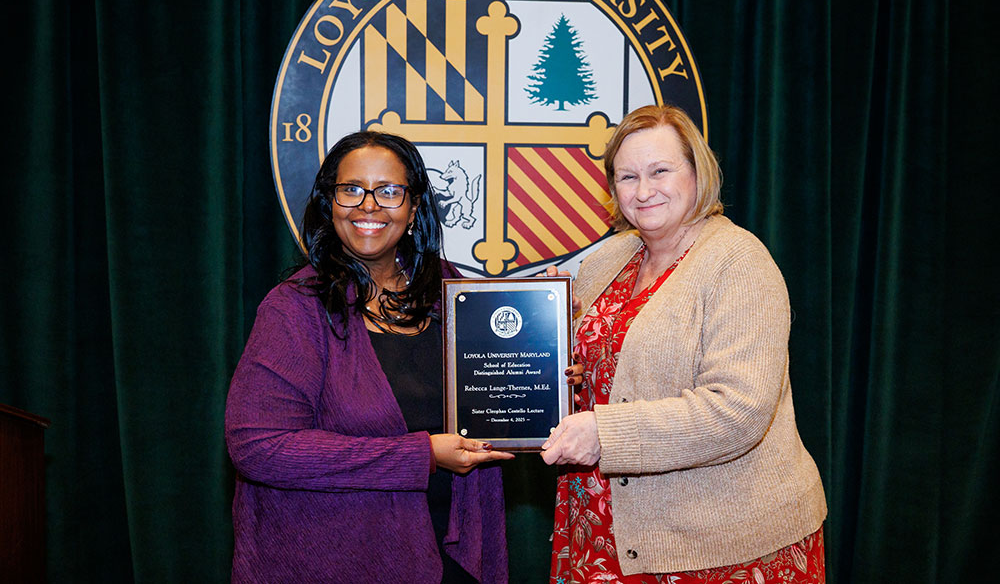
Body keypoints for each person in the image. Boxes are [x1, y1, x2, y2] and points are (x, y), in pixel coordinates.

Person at [540, 105, 828, 583]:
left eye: (660, 171)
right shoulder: (611, 256)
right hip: (601, 523)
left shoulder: (740, 263)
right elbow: (611, 369)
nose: (644, 190)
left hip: (716, 545)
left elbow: (737, 410)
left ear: (698, 173)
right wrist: (556, 356)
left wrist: (604, 433)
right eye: (627, 176)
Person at [225, 131, 515, 583]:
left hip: (452, 553)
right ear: (330, 202)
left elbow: (491, 395)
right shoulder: (295, 308)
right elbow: (258, 446)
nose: (369, 205)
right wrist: (422, 455)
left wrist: (546, 376)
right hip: (339, 560)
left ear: (414, 206)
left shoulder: (451, 291)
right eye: (352, 189)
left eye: (389, 191)